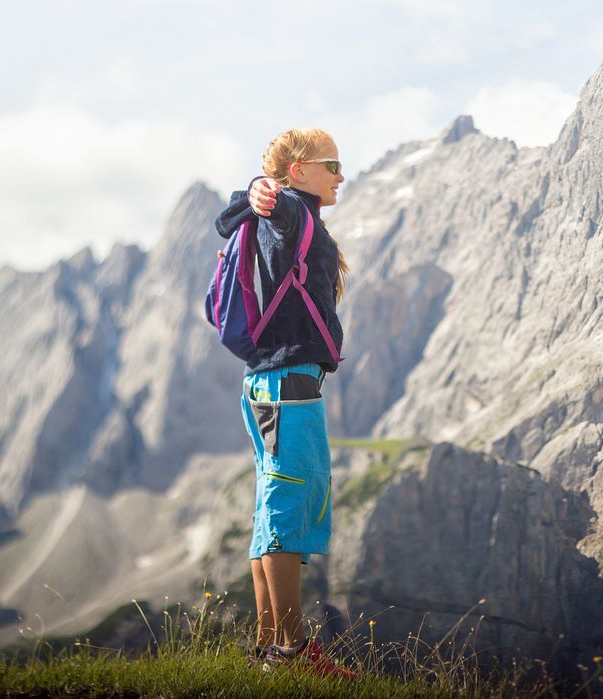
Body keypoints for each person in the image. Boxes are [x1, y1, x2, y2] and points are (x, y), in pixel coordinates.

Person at [214, 128, 352, 678]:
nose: (342, 175)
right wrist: (257, 188)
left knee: (276, 503)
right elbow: (242, 208)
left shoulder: (298, 211)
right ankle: (293, 653)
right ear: (297, 170)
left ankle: (272, 649)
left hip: (277, 383)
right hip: (285, 383)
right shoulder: (288, 208)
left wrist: (256, 193)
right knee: (287, 505)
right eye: (332, 164)